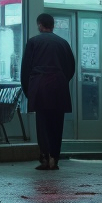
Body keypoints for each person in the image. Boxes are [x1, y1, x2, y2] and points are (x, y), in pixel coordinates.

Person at [20, 13, 76, 170]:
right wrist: (62, 80)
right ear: (53, 25)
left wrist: (28, 90)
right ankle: (54, 159)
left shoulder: (33, 42)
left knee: (43, 123)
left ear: (39, 25)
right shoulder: (63, 43)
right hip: (59, 87)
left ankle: (44, 158)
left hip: (40, 87)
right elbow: (71, 68)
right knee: (57, 124)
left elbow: (25, 69)